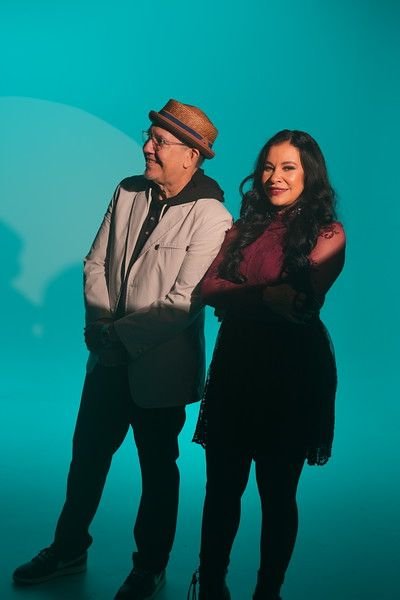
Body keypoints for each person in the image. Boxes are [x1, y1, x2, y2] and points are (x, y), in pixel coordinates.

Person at [13, 99, 232, 600]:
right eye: (149, 137)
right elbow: (95, 263)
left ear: (191, 156)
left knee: (157, 473)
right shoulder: (127, 190)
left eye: (160, 142)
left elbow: (185, 302)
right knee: (86, 459)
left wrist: (117, 338)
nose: (147, 147)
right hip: (106, 362)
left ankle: (149, 567)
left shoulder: (212, 217)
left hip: (159, 371)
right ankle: (69, 547)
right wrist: (99, 327)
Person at [190, 130, 346, 600]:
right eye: (268, 167)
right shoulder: (243, 229)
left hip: (292, 373)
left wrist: (238, 297)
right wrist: (262, 298)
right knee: (221, 489)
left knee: (278, 495)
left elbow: (298, 302)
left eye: (288, 167)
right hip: (236, 366)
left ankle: (267, 592)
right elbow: (207, 289)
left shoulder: (328, 234)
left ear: (309, 174)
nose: (275, 177)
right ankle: (211, 586)